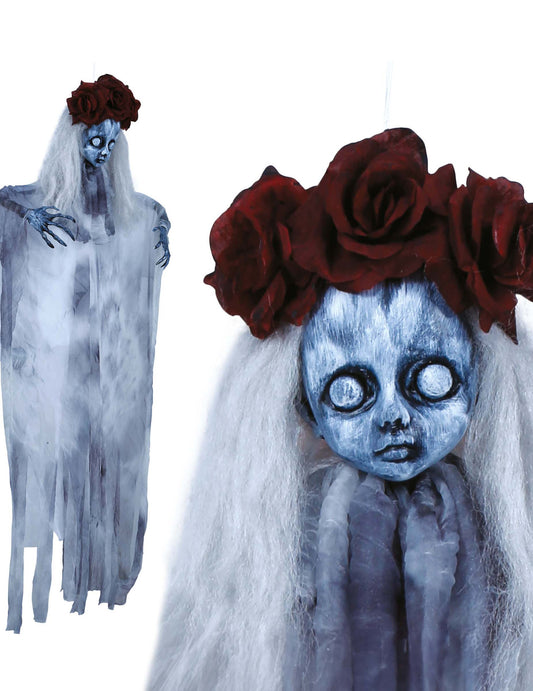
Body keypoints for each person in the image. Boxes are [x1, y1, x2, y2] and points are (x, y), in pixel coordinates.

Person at [150, 129, 533, 690]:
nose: (394, 417)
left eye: (431, 380)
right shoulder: (288, 535)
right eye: (350, 390)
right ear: (303, 402)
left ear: (483, 384)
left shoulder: (500, 531)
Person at [0, 74, 170, 632]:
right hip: (62, 351)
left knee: (106, 450)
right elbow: (6, 199)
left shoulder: (123, 205)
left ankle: (98, 568)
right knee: (68, 444)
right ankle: (74, 563)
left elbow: (148, 211)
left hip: (109, 353)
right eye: (95, 139)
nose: (103, 149)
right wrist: (31, 218)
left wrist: (162, 225)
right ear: (73, 138)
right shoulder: (44, 201)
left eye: (112, 141)